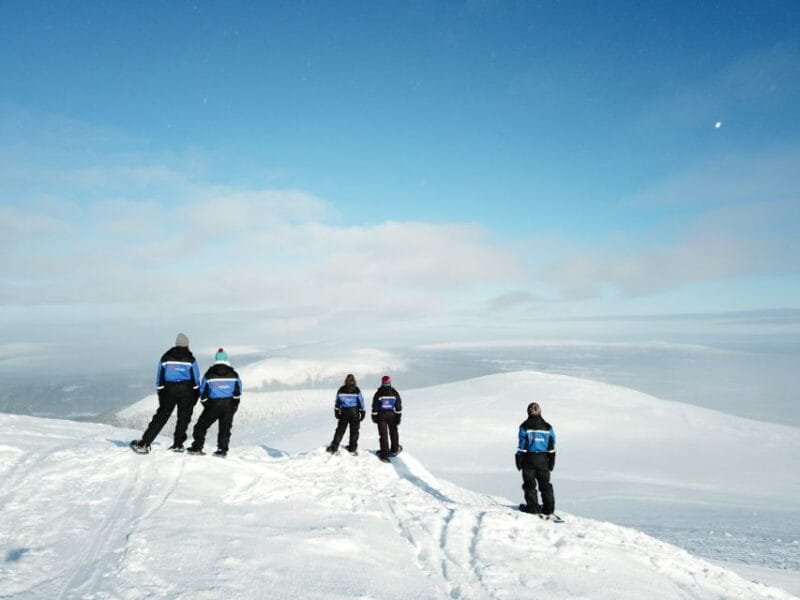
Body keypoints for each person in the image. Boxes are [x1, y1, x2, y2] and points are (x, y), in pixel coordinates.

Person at [130, 333, 201, 454]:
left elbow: (160, 377)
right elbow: (196, 378)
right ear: (187, 345)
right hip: (187, 389)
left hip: (169, 389)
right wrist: (196, 394)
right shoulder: (191, 359)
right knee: (184, 417)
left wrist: (161, 392)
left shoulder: (166, 357)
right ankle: (178, 444)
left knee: (161, 416)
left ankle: (144, 443)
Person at [187, 348, 242, 457]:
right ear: (226, 359)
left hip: (213, 405)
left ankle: (197, 447)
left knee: (200, 426)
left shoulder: (210, 373)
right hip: (229, 404)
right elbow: (238, 391)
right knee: (225, 429)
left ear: (216, 359)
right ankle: (222, 450)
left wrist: (207, 405)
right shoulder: (234, 373)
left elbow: (203, 392)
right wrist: (234, 405)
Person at [515, 401, 557, 518]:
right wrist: (552, 460)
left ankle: (532, 507)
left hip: (529, 459)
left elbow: (522, 445)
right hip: (543, 459)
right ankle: (548, 508)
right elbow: (552, 444)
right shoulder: (548, 427)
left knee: (529, 484)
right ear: (540, 412)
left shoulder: (524, 426)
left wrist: (519, 459)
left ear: (528, 412)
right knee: (545, 484)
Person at [326, 373, 365, 455]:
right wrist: (363, 411)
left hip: (344, 412)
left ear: (346, 380)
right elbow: (361, 401)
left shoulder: (341, 389)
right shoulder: (356, 389)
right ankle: (352, 448)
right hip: (355, 412)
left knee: (340, 430)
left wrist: (336, 411)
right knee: (354, 431)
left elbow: (338, 401)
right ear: (354, 381)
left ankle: (334, 447)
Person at [371, 375, 402, 462]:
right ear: (390, 382)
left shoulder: (379, 393)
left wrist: (374, 416)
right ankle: (394, 449)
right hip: (392, 415)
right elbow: (398, 405)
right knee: (393, 432)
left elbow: (375, 406)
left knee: (383, 434)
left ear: (382, 382)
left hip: (381, 416)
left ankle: (384, 455)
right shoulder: (394, 393)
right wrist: (399, 416)